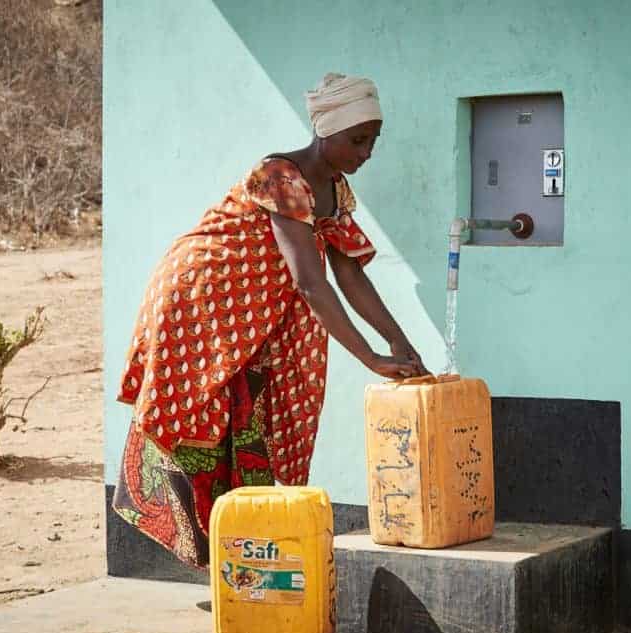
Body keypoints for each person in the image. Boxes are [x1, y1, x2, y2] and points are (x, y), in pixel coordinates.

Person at [112, 73, 428, 570]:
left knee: (246, 423)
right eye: (357, 140)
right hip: (200, 302)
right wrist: (369, 357)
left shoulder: (335, 191)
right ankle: (221, 562)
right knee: (201, 422)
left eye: (372, 141)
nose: (366, 152)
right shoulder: (280, 177)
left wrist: (401, 344)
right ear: (326, 131)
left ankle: (238, 560)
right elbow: (310, 281)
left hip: (251, 317)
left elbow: (349, 274)